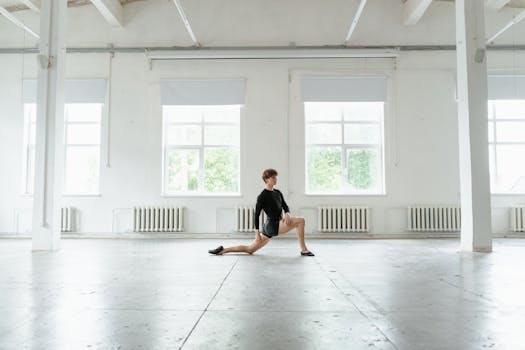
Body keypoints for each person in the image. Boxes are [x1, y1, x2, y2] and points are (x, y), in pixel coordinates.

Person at [208, 168, 315, 256]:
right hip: (272, 226)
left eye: (276, 177)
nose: (275, 179)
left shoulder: (278, 192)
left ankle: (223, 250)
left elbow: (285, 206)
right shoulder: (262, 196)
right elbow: (257, 215)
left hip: (276, 224)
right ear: (267, 179)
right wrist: (257, 233)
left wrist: (287, 214)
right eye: (273, 177)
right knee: (301, 221)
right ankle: (304, 249)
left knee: (250, 249)